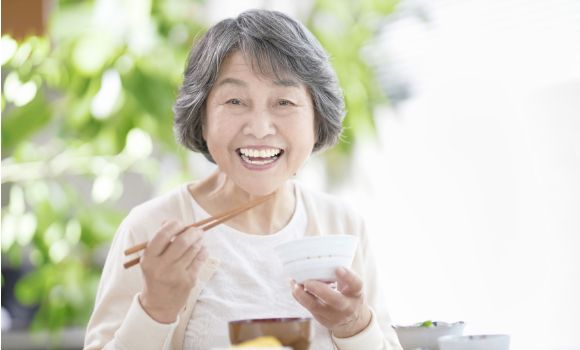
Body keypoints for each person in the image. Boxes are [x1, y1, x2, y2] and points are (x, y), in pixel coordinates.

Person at [84, 9, 402, 350]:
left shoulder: (342, 227)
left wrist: (353, 325)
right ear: (202, 118)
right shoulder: (151, 229)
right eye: (235, 101)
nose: (260, 128)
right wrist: (155, 310)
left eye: (284, 101)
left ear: (316, 119)